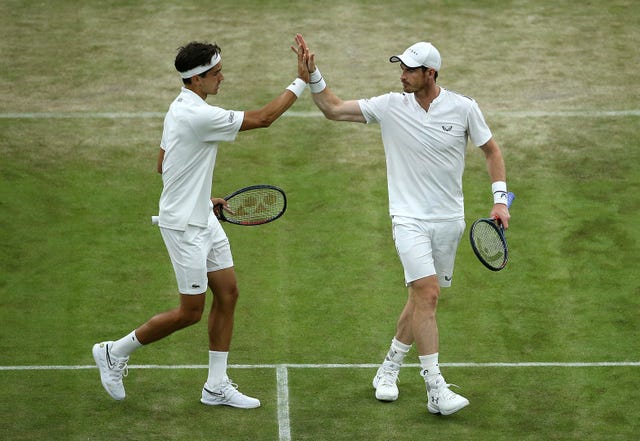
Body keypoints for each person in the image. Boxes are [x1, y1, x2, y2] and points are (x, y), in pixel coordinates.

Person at [295, 35, 510, 415]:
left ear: (431, 72)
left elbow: (491, 150)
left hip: (449, 222)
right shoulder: (390, 106)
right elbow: (333, 109)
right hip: (408, 219)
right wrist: (313, 75)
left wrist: (499, 198)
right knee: (426, 294)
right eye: (401, 68)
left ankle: (389, 368)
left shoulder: (463, 108)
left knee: (423, 300)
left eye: (410, 69)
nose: (403, 76)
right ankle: (435, 389)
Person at [92, 38, 310, 408]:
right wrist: (301, 80)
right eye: (215, 74)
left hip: (202, 218)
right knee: (190, 312)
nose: (221, 78)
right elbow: (264, 119)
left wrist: (201, 199)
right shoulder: (198, 115)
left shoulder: (179, 109)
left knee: (228, 293)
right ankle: (115, 351)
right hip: (184, 228)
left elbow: (164, 163)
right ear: (195, 80)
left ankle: (216, 385)